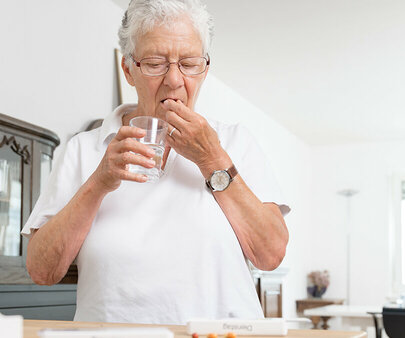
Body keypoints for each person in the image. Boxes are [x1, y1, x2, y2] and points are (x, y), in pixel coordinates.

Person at [22, 0, 290, 325]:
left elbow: (270, 254)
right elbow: (41, 270)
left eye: (189, 63)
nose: (175, 80)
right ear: (128, 69)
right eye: (154, 63)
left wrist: (211, 159)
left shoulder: (235, 141)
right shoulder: (84, 149)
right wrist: (99, 182)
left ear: (205, 68)